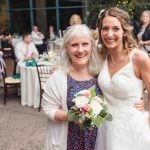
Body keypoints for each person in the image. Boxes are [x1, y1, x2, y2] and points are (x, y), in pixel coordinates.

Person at [42, 24, 144, 150]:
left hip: (101, 139)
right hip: (70, 141)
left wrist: (137, 99)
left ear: (92, 46)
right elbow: (48, 109)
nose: (80, 50)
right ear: (67, 48)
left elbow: (121, 86)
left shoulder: (101, 70)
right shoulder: (58, 77)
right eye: (74, 45)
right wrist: (74, 115)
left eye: (85, 44)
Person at [95, 7, 150, 150]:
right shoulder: (101, 57)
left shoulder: (138, 58)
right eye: (105, 29)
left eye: (115, 29)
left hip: (133, 129)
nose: (109, 34)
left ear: (124, 31)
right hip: (106, 126)